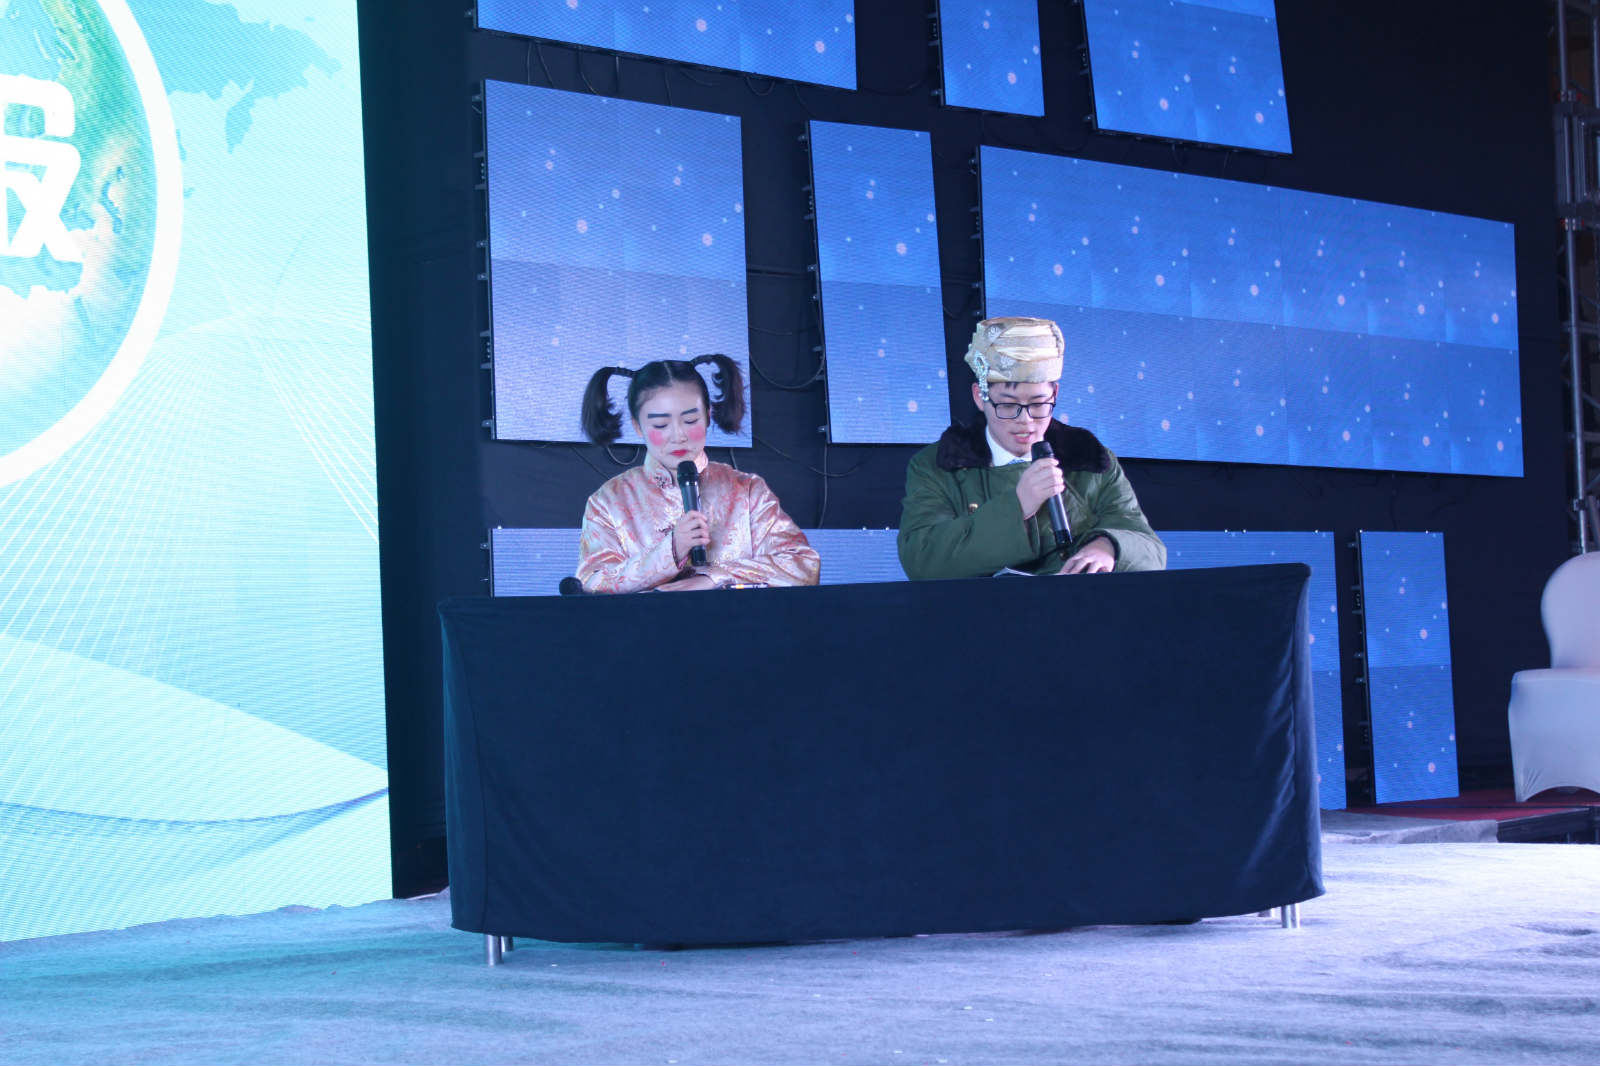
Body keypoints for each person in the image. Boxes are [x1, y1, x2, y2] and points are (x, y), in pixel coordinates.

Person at [898, 316, 1165, 580]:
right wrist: (1018, 505)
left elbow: (1149, 548)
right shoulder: (937, 465)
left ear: (1055, 394)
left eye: (1038, 404)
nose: (1025, 421)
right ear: (980, 397)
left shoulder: (1090, 459)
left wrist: (1109, 547)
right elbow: (921, 559)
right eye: (1008, 405)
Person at [577, 355, 820, 593]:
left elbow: (803, 565)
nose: (678, 435)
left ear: (708, 416)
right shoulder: (608, 502)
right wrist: (670, 551)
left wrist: (714, 578)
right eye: (661, 425)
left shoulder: (747, 491)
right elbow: (592, 582)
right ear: (637, 426)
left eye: (691, 420)